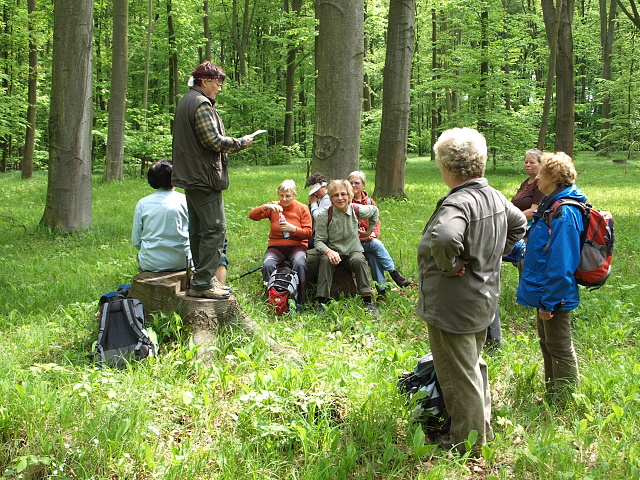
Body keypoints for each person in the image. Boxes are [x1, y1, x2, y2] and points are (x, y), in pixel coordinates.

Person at [417, 128, 526, 455]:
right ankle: (483, 428)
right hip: (482, 299)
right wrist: (493, 255)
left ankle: (468, 442)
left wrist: (450, 266)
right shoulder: (493, 195)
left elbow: (447, 237)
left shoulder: (460, 202)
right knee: (473, 364)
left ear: (447, 167)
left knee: (457, 373)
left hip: (453, 304)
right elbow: (519, 222)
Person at [171, 61, 254, 299]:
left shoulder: (187, 100)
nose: (219, 88)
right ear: (205, 80)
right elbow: (214, 141)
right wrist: (241, 142)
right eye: (218, 83)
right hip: (204, 178)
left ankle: (201, 278)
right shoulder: (200, 104)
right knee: (216, 229)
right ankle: (204, 282)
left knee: (198, 229)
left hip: (191, 176)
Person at [516, 152, 585, 406]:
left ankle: (565, 402)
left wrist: (550, 301)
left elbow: (562, 263)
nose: (537, 178)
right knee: (548, 343)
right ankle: (553, 395)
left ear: (554, 178)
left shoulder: (564, 212)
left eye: (542, 173)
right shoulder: (552, 205)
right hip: (545, 291)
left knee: (560, 346)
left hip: (555, 294)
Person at [486, 149, 544, 349]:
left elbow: (536, 210)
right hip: (513, 224)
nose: (528, 165)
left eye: (532, 162)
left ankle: (527, 294)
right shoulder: (525, 183)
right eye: (526, 162)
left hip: (529, 228)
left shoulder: (540, 184)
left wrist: (511, 218)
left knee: (523, 259)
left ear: (540, 164)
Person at [314, 179, 380, 314]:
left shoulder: (357, 210)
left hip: (352, 251)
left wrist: (370, 230)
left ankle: (368, 301)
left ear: (349, 196)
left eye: (343, 194)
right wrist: (328, 251)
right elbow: (318, 241)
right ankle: (322, 302)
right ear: (331, 198)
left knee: (359, 260)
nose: (340, 198)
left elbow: (374, 211)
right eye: (335, 195)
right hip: (334, 252)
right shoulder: (324, 215)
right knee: (325, 261)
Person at [248, 180, 312, 306]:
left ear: (294, 195)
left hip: (297, 246)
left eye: (288, 196)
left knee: (299, 263)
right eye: (281, 195)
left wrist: (293, 229)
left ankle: (299, 298)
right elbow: (252, 216)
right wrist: (265, 207)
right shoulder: (274, 207)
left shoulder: (302, 208)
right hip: (276, 247)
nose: (284, 199)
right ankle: (271, 297)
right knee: (268, 265)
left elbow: (308, 233)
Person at [347, 171, 411, 295]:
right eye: (350, 183)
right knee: (376, 245)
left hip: (367, 241)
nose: (353, 185)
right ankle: (394, 273)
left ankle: (382, 290)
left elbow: (376, 222)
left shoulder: (370, 202)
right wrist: (367, 237)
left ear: (363, 185)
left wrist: (373, 234)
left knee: (373, 257)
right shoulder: (347, 203)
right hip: (354, 243)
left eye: (357, 182)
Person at [131, 160, 191, 272]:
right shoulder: (186, 201)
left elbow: (136, 241)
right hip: (183, 261)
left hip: (151, 263)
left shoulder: (143, 204)